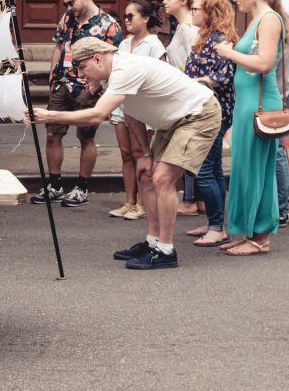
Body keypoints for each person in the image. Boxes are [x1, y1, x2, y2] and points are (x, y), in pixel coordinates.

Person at [29, 37, 222, 270]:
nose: (81, 75)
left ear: (98, 59)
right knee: (146, 174)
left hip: (198, 114)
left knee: (162, 178)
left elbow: (97, 115)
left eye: (82, 67)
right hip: (171, 121)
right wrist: (144, 155)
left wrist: (50, 116)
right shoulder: (111, 77)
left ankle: (166, 251)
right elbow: (131, 112)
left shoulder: (125, 69)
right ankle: (153, 243)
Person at [215, 0, 289, 256]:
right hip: (247, 104)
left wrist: (229, 52)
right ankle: (248, 232)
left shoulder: (270, 19)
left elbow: (265, 64)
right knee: (246, 169)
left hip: (259, 105)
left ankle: (261, 239)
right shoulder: (258, 20)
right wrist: (234, 49)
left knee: (257, 170)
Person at [34, 0, 123, 207]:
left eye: (71, 2)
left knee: (86, 137)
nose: (68, 7)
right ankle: (55, 186)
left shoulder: (108, 25)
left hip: (87, 87)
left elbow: (115, 59)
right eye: (65, 4)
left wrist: (97, 87)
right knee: (52, 134)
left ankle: (82, 188)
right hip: (62, 83)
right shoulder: (67, 19)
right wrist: (53, 77)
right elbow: (58, 45)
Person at [244, 0, 289, 227]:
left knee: (274, 149)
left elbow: (277, 52)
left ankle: (280, 208)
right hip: (270, 87)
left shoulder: (279, 9)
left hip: (272, 88)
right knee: (272, 148)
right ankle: (276, 207)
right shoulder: (275, 8)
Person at [183, 0, 237, 246]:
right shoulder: (206, 37)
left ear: (210, 12)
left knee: (204, 168)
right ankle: (215, 222)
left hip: (214, 111)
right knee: (213, 167)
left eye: (195, 8)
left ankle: (217, 228)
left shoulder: (221, 39)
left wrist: (188, 82)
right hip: (204, 108)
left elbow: (221, 77)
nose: (192, 12)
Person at [109, 0, 166, 220]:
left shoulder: (154, 44)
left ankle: (142, 203)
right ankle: (130, 200)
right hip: (123, 105)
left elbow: (161, 75)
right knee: (125, 154)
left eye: (130, 16)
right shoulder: (124, 44)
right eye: (125, 16)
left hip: (142, 107)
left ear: (145, 18)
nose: (126, 20)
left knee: (140, 154)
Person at [164, 0, 205, 216]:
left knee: (188, 148)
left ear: (183, 0)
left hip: (188, 94)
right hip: (188, 92)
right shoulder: (186, 26)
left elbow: (194, 63)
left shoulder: (187, 27)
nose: (164, 2)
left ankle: (189, 201)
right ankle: (198, 201)